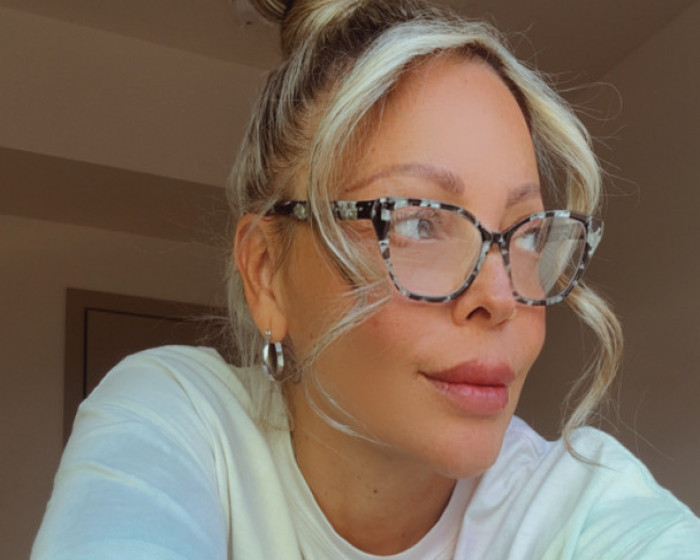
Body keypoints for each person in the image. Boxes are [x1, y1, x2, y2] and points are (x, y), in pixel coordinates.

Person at [32, 0, 700, 558]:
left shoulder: (579, 506)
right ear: (267, 275)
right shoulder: (183, 421)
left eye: (526, 234)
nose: (500, 297)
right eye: (419, 223)